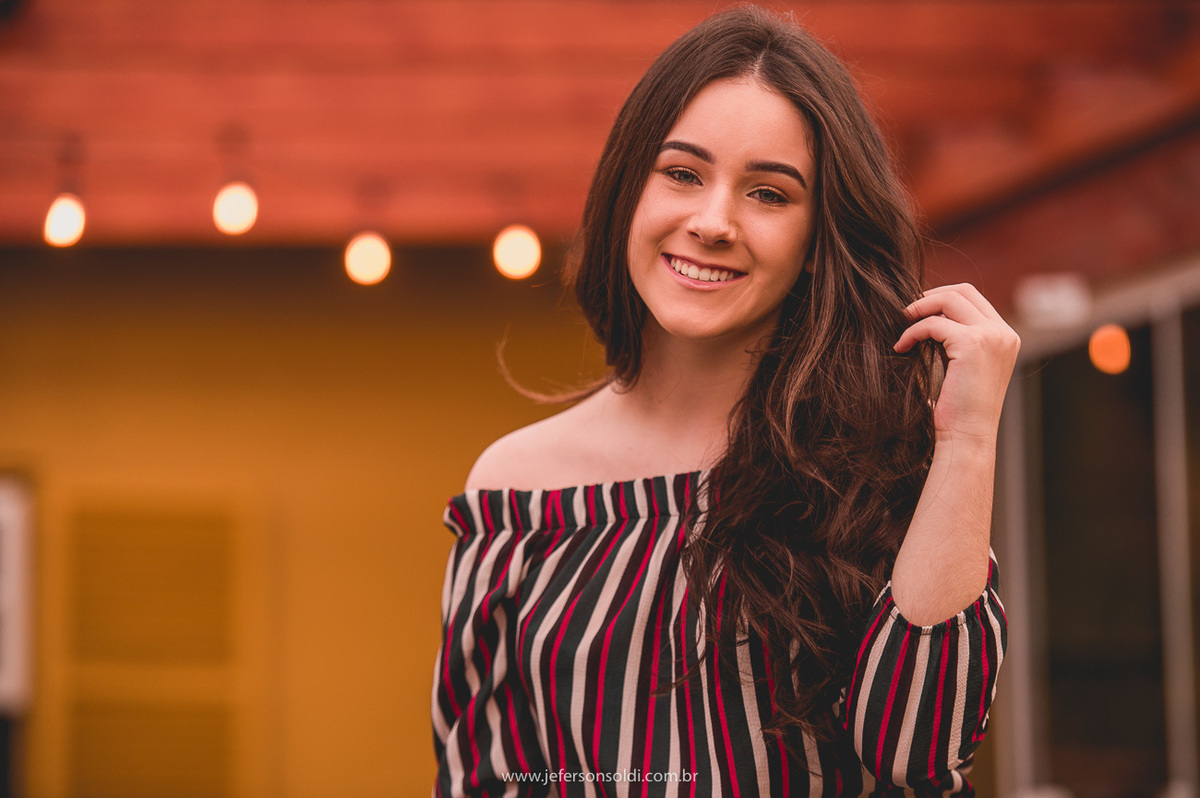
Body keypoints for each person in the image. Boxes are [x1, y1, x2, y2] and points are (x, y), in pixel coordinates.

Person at [432, 6, 1017, 795]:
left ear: (817, 243)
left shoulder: (888, 465)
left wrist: (970, 439)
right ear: (626, 191)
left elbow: (918, 754)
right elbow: (481, 779)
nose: (712, 222)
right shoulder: (514, 495)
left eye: (769, 194)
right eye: (681, 173)